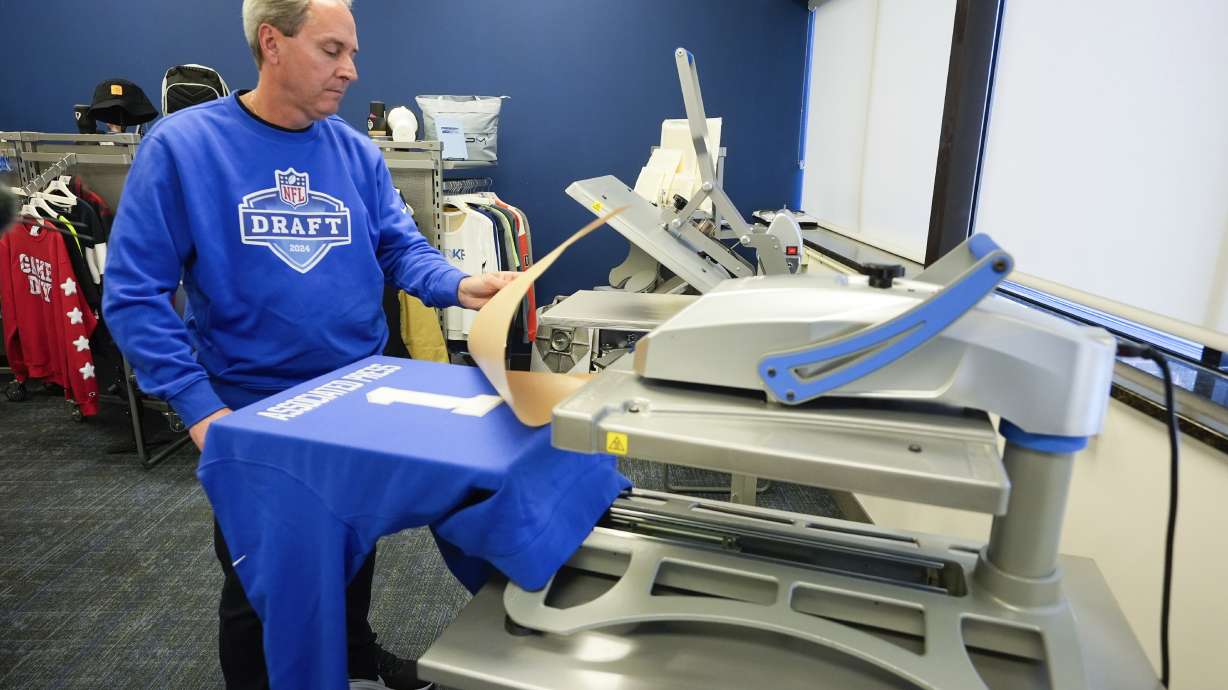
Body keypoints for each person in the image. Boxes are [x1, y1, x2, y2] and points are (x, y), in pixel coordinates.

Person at [102, 1, 515, 687]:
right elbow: (134, 294)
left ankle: (351, 657)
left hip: (359, 394)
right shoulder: (183, 148)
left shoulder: (354, 152)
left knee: (352, 543)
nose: (350, 70)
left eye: (351, 53)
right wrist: (201, 410)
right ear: (272, 43)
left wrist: (458, 284)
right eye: (332, 50)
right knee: (264, 584)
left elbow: (398, 246)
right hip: (258, 412)